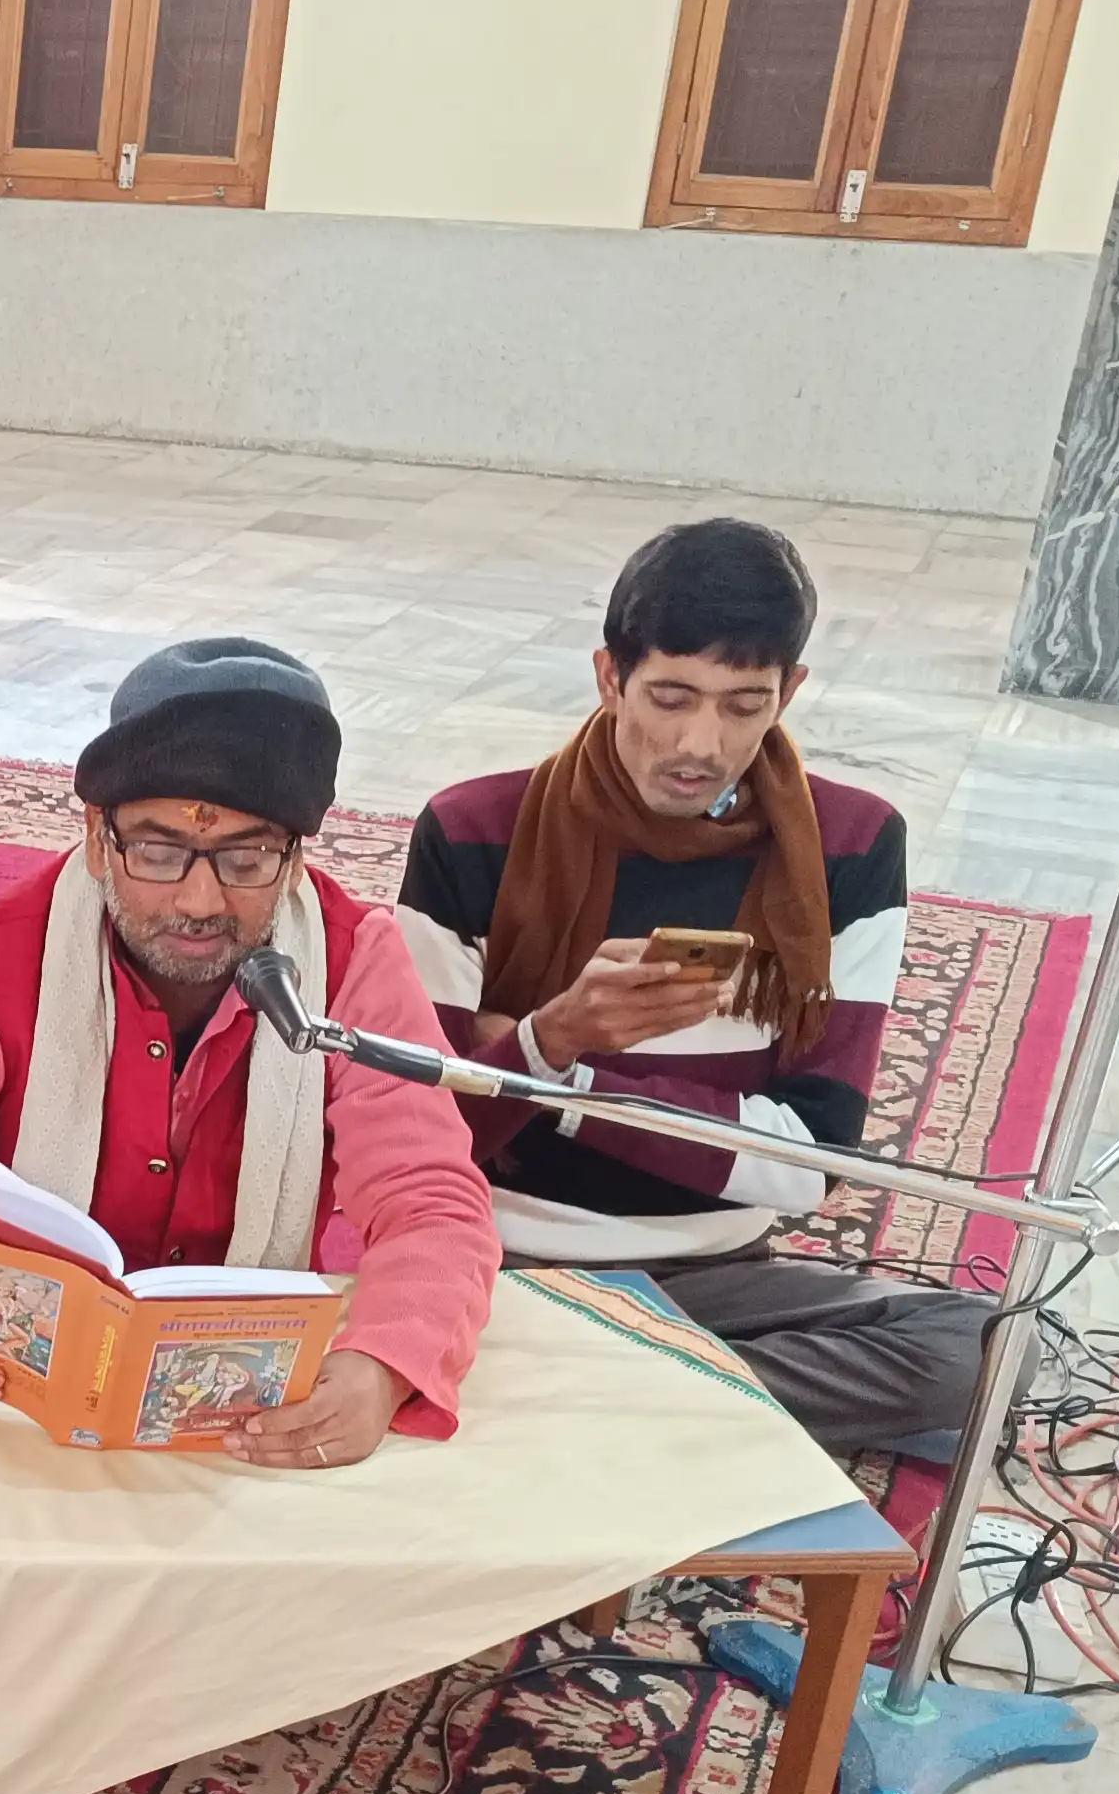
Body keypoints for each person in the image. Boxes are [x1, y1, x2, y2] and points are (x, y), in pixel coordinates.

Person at [0, 639, 499, 1467]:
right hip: (11, 1404)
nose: (199, 900)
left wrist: (381, 1369)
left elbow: (431, 1200)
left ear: (296, 859)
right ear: (95, 835)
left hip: (245, 1414)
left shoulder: (351, 962)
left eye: (246, 856)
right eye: (155, 851)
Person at [399, 519, 993, 1455]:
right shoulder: (473, 829)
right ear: (610, 676)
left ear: (789, 692)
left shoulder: (851, 848)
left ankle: (554, 1402)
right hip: (499, 1262)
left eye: (743, 705)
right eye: (669, 697)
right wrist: (555, 1036)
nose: (700, 743)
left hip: (710, 1277)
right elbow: (423, 1130)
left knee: (987, 1349)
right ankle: (669, 1410)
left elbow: (809, 1166)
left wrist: (563, 1079)